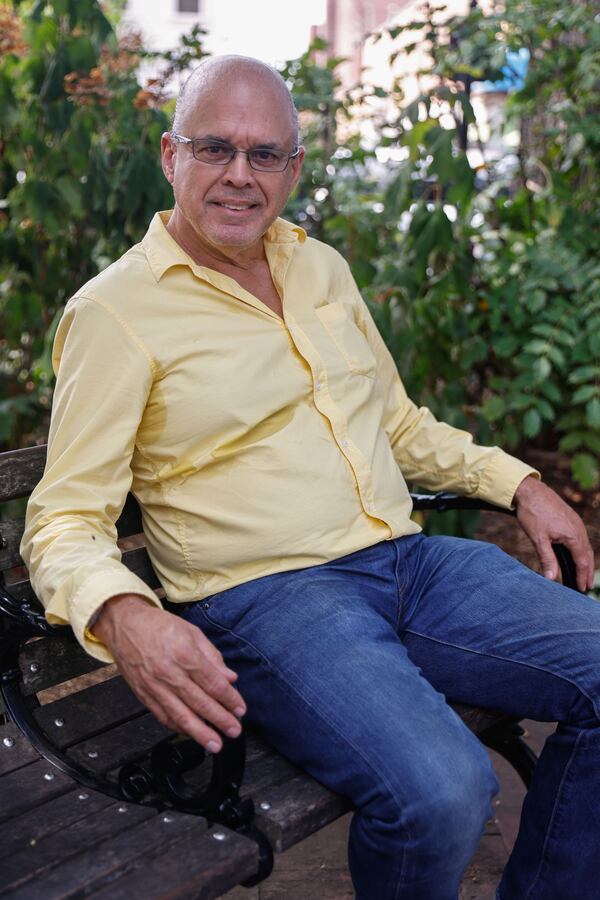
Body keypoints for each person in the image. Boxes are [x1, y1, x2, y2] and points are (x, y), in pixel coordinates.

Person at [21, 55, 599, 900]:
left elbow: (397, 423)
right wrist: (123, 609)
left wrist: (519, 482)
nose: (239, 176)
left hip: (410, 567)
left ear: (294, 168)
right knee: (442, 793)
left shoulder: (318, 266)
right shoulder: (116, 311)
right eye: (215, 148)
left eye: (265, 155)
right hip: (272, 601)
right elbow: (64, 517)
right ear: (168, 155)